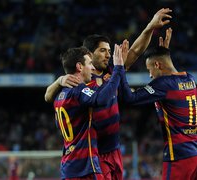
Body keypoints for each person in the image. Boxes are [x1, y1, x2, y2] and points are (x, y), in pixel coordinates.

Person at [45, 8, 172, 180]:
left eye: (108, 50)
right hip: (95, 154)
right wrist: (58, 80)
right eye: (103, 50)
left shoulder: (111, 72)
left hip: (114, 150)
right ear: (89, 55)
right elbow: (48, 96)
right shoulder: (78, 82)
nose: (108, 54)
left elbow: (135, 51)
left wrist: (150, 27)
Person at [118, 45, 197, 180]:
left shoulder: (163, 84)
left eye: (149, 69)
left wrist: (120, 68)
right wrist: (164, 51)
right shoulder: (190, 79)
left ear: (157, 64)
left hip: (179, 156)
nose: (150, 75)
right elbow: (171, 79)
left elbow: (129, 99)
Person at [52, 46, 125, 179]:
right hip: (85, 166)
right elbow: (101, 99)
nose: (92, 68)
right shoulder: (78, 91)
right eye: (90, 64)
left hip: (68, 167)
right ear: (79, 67)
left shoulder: (58, 96)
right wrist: (118, 69)